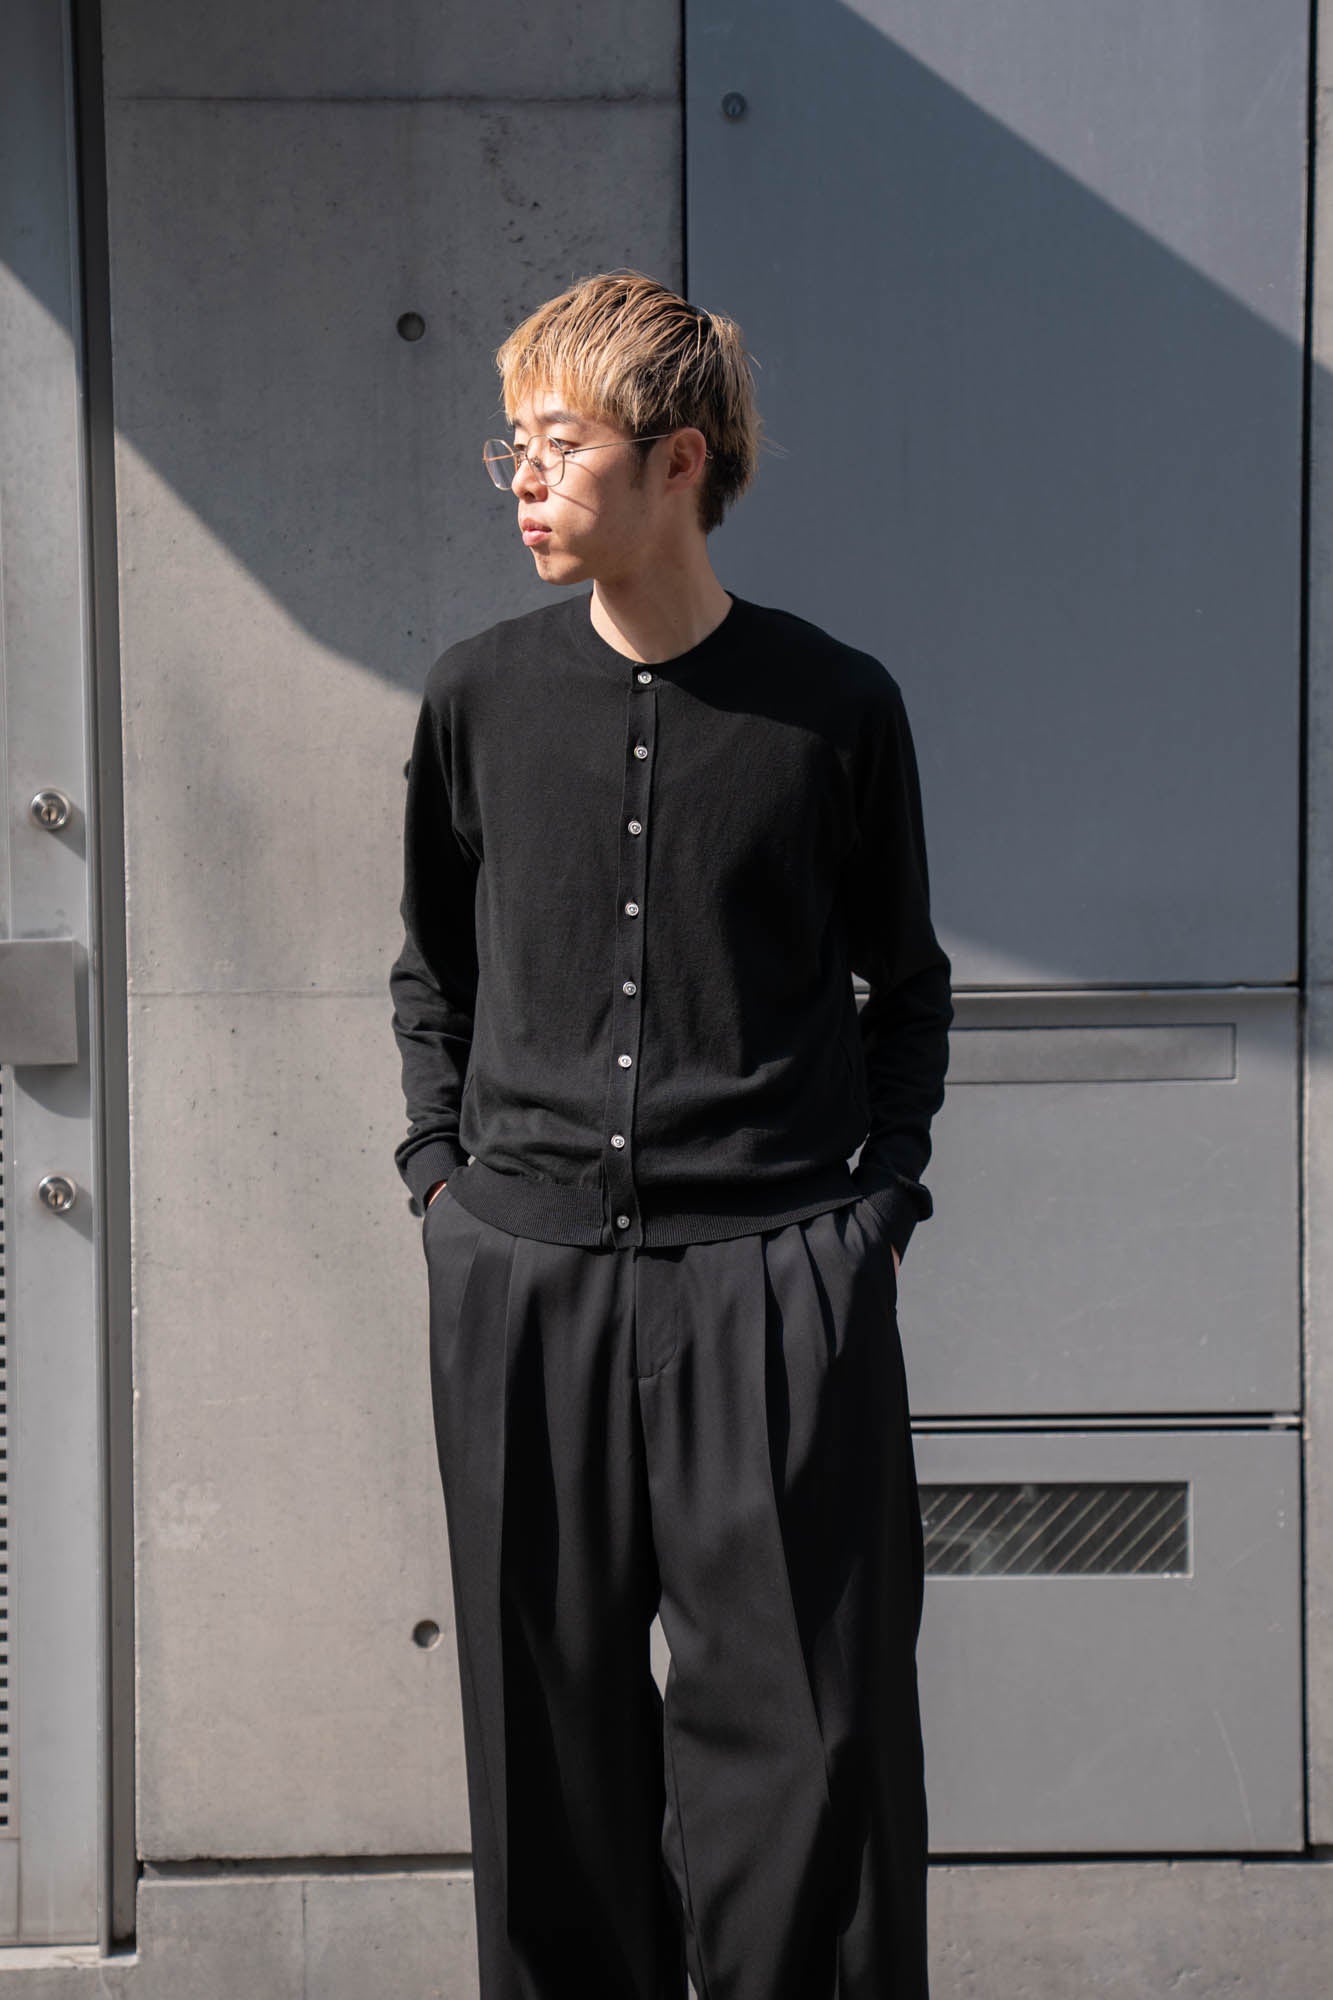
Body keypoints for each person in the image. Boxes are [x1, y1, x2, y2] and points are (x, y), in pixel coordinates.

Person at [389, 269, 952, 2000]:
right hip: (524, 1278)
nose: (524, 478)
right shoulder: (476, 697)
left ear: (679, 460)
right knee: (545, 1741)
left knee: (811, 1751)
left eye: (559, 444)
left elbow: (905, 987)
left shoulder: (832, 708)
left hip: (774, 1280)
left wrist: (868, 1218)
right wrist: (441, 1190)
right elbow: (434, 973)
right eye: (514, 444)